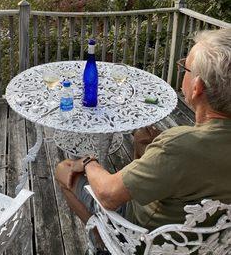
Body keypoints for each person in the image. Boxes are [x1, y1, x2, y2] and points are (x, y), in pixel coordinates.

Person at [55, 28, 231, 253]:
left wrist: (89, 162)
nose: (182, 71)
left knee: (64, 169)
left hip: (147, 239)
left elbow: (108, 195)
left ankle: (105, 242)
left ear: (197, 87)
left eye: (185, 67)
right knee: (144, 137)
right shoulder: (183, 146)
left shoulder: (177, 146)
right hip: (208, 237)